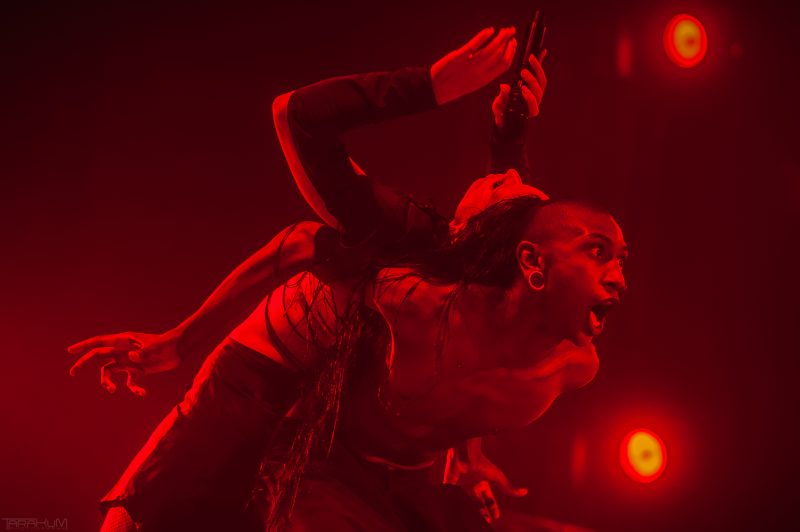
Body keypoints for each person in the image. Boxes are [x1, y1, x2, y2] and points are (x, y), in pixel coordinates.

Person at [70, 26, 553, 531]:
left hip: (318, 425)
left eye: (510, 186)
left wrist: (433, 86)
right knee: (137, 519)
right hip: (255, 383)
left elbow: (463, 356)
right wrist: (487, 120)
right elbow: (297, 131)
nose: (512, 175)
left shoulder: (441, 266)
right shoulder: (420, 241)